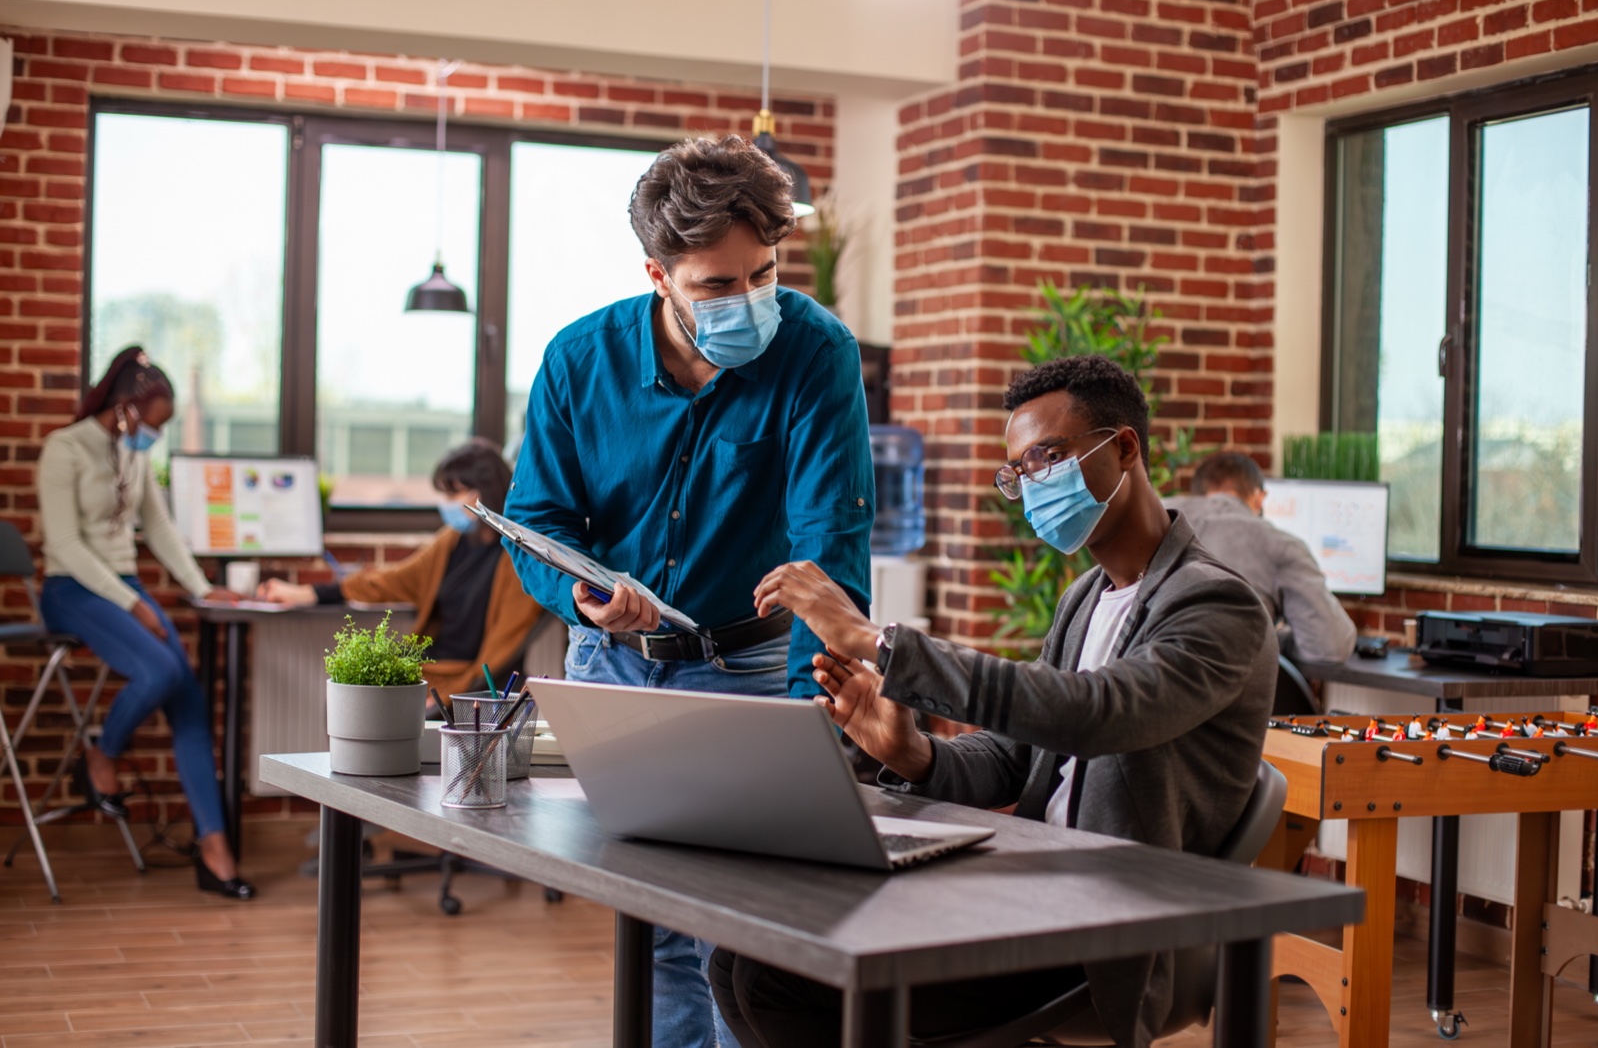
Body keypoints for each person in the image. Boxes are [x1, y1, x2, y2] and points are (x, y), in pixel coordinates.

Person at [712, 355, 1277, 1048]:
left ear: (1125, 448)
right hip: (1032, 894)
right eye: (1021, 469)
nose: (1034, 481)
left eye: (1049, 456)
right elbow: (1020, 754)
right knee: (736, 961)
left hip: (1106, 933)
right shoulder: (1084, 599)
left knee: (779, 982)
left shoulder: (1218, 603)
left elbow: (1097, 714)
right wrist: (915, 753)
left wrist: (875, 640)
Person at [503, 134, 873, 1048]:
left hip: (749, 668)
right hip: (615, 671)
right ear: (656, 274)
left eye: (765, 274)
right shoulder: (579, 359)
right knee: (658, 921)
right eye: (717, 285)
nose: (751, 301)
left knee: (742, 933)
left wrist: (806, 718)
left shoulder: (816, 353)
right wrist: (585, 600)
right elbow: (538, 523)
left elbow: (829, 550)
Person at [37, 347, 254, 900]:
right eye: (152, 425)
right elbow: (63, 544)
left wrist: (204, 588)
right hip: (72, 589)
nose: (153, 438)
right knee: (160, 673)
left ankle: (214, 849)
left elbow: (159, 529)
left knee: (187, 693)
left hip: (124, 590)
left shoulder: (132, 455)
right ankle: (102, 755)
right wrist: (130, 603)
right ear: (126, 407)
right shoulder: (64, 449)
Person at [258, 439, 544, 699]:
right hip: (429, 672)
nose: (446, 504)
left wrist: (450, 696)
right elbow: (391, 580)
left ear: (485, 492)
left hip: (466, 686)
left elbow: (500, 656)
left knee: (364, 708)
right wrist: (312, 593)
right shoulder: (452, 541)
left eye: (454, 493)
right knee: (349, 697)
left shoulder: (516, 559)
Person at [1170, 451, 1357, 664]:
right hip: (1227, 690)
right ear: (1259, 498)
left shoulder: (1159, 516)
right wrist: (1273, 639)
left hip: (1143, 685)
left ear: (1198, 492)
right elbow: (1329, 647)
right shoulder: (1280, 544)